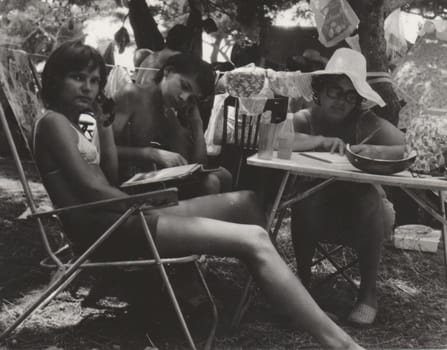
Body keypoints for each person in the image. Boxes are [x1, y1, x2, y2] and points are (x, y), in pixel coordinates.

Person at [33, 40, 363, 350]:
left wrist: (105, 125)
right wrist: (140, 200)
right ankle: (341, 343)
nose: (88, 88)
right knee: (253, 239)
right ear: (55, 79)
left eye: (93, 81)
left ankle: (287, 298)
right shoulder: (53, 123)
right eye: (78, 78)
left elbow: (106, 174)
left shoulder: (78, 123)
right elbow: (92, 190)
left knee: (245, 202)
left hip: (119, 216)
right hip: (107, 230)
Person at [289, 48, 404, 327]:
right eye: (335, 92)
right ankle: (302, 284)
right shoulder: (305, 118)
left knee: (367, 194)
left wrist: (374, 151)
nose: (341, 101)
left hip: (365, 219)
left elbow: (405, 147)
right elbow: (274, 142)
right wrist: (318, 142)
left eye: (350, 96)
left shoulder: (367, 123)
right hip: (315, 213)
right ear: (320, 91)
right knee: (302, 198)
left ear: (358, 102)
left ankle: (368, 294)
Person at [114, 53, 232, 197]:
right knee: (210, 183)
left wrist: (197, 125)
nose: (184, 97)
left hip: (154, 179)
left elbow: (196, 164)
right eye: (184, 86)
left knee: (225, 175)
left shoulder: (169, 112)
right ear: (167, 72)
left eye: (192, 98)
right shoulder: (132, 94)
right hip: (126, 181)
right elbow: (101, 150)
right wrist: (149, 153)